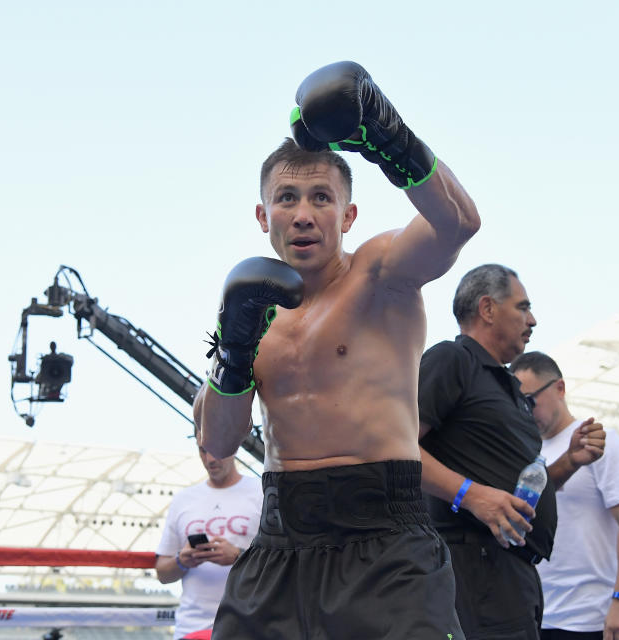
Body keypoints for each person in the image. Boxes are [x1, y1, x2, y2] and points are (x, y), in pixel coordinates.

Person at [194, 60, 480, 639]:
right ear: (262, 215)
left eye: (322, 197)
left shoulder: (380, 274)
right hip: (280, 540)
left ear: (348, 214)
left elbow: (457, 225)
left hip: (386, 542)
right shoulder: (252, 308)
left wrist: (387, 136)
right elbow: (217, 442)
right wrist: (233, 350)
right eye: (287, 198)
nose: (303, 214)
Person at [417, 263, 607, 640]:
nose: (532, 319)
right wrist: (469, 495)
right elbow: (394, 447)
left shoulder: (506, 386)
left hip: (512, 573)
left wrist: (568, 462)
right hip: (474, 568)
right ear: (487, 309)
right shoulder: (452, 360)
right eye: (522, 307)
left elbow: (514, 487)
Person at [511, 351, 619, 640]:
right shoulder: (523, 453)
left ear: (559, 388)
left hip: (589, 619)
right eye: (518, 402)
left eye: (530, 400)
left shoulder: (599, 441)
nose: (525, 409)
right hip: (534, 618)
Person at [154, 424, 262, 640]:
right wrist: (182, 560)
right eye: (203, 450)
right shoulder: (183, 500)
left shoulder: (262, 492)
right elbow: (162, 573)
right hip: (191, 629)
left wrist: (239, 557)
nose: (211, 459)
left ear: (234, 446)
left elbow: (286, 565)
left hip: (250, 627)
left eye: (217, 449)